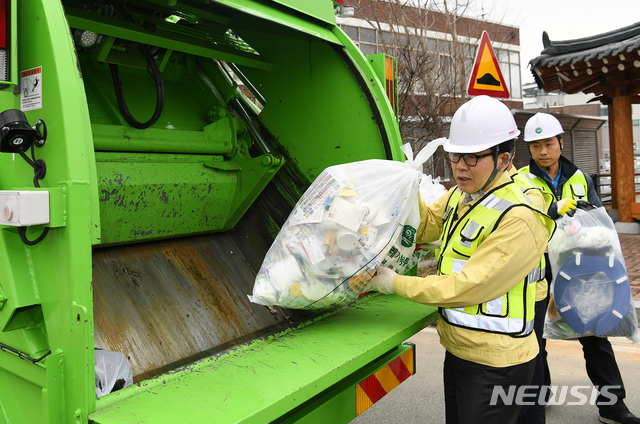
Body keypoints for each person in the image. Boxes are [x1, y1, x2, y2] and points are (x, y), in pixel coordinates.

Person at [368, 95, 555, 424]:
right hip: (459, 347)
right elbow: (425, 227)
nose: (459, 166)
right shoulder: (462, 194)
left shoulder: (520, 214)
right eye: (455, 156)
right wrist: (406, 189)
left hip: (498, 362)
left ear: (503, 159)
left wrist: (393, 283)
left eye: (471, 158)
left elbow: (470, 285)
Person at [517, 112, 640, 424]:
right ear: (528, 150)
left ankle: (613, 407)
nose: (542, 151)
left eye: (548, 144)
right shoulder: (520, 182)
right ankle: (538, 398)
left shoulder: (582, 179)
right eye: (535, 146)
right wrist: (549, 211)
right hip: (539, 275)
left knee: (595, 337)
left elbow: (600, 224)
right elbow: (518, 223)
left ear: (561, 142)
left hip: (580, 273)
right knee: (535, 342)